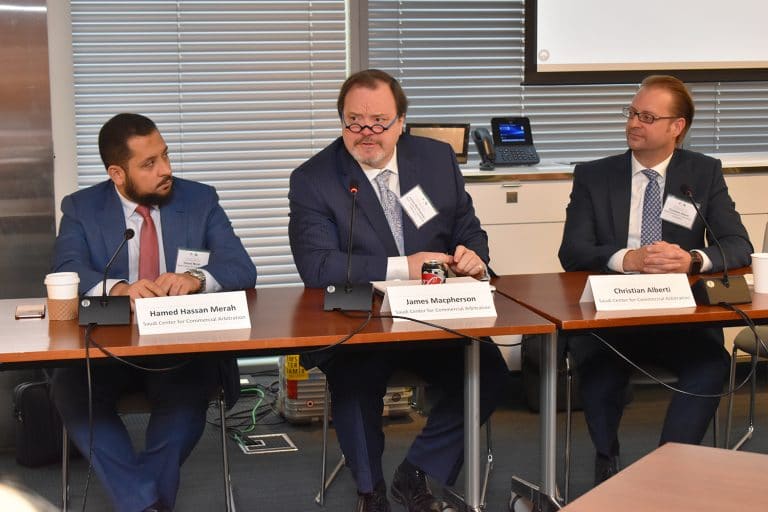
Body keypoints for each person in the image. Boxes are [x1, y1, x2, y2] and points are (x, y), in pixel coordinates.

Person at [288, 69, 507, 512]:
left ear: (401, 122)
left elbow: (467, 227)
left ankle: (418, 472)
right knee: (354, 384)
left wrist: (472, 256)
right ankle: (370, 493)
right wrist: (403, 266)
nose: (366, 132)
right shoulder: (315, 178)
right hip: (360, 319)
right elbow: (318, 266)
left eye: (379, 122)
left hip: (433, 314)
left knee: (489, 372)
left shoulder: (435, 159)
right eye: (354, 121)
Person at [50, 113, 257, 512]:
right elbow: (66, 268)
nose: (166, 170)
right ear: (117, 173)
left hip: (178, 347)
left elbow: (241, 267)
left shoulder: (199, 200)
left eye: (165, 155)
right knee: (71, 390)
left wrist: (197, 278)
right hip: (109, 347)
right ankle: (146, 503)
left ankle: (139, 502)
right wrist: (119, 289)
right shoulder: (81, 208)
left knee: (186, 398)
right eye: (149, 163)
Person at [558, 75, 753, 486]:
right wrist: (627, 258)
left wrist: (692, 260)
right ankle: (606, 462)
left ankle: (668, 469)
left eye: (647, 117)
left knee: (711, 365)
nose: (633, 123)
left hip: (679, 316)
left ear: (676, 127)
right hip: (610, 316)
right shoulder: (595, 175)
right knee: (599, 372)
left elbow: (738, 245)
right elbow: (572, 251)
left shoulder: (702, 173)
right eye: (631, 113)